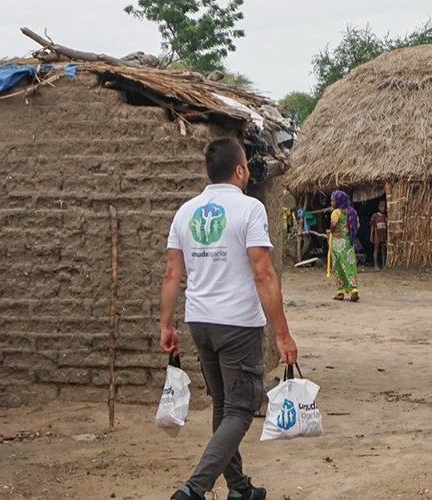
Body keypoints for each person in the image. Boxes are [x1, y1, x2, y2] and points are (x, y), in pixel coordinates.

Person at [160, 137, 298, 500]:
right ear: (239, 170)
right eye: (247, 167)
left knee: (223, 405)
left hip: (200, 323)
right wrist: (282, 335)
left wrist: (166, 326)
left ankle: (240, 488)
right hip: (237, 324)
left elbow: (171, 274)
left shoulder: (185, 212)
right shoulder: (250, 209)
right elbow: (264, 273)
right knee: (242, 407)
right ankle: (194, 489)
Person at [326, 191, 360, 301]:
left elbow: (334, 223)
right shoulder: (352, 212)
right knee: (349, 266)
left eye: (333, 200)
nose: (331, 202)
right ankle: (353, 289)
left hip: (338, 244)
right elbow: (357, 224)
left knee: (338, 267)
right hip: (349, 243)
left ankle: (340, 292)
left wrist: (331, 231)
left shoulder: (336, 212)